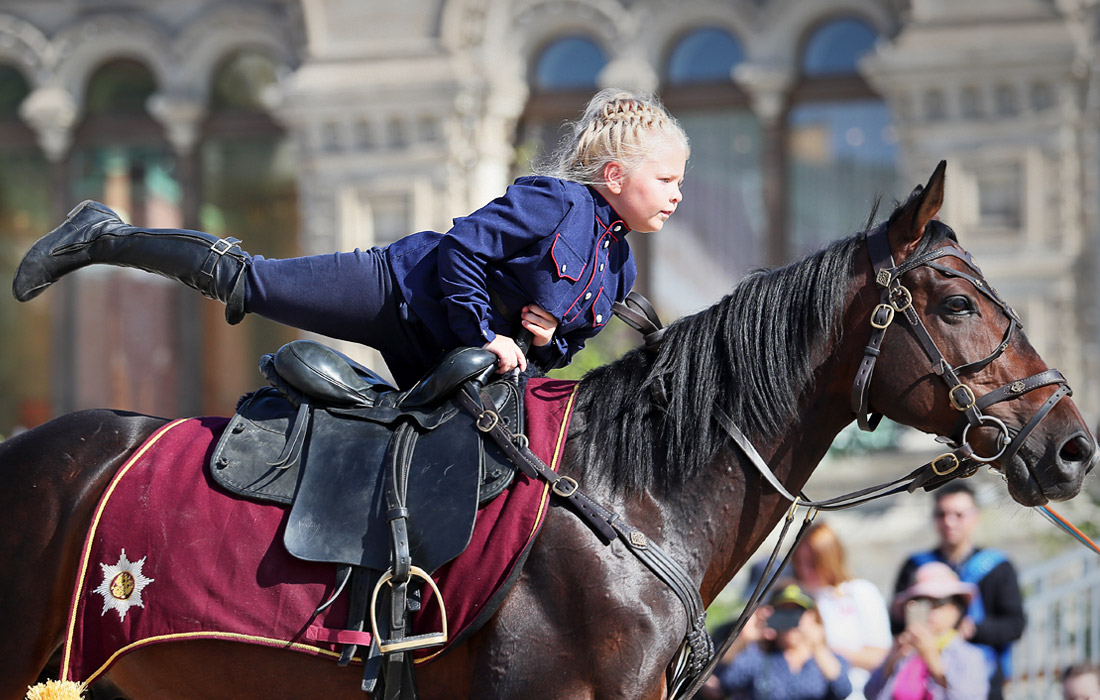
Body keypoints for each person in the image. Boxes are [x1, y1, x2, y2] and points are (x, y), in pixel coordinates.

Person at [11, 89, 689, 388]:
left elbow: (555, 356)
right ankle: (103, 234)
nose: (677, 194)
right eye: (666, 178)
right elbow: (459, 254)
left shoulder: (620, 271)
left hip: (444, 361)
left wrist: (543, 342)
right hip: (393, 289)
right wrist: (485, 331)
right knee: (250, 282)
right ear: (613, 174)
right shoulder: (553, 200)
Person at [891, 482, 1025, 700]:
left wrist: (972, 629)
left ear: (975, 517)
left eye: (959, 514)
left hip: (983, 679)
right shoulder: (915, 566)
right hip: (920, 680)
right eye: (941, 514)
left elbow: (1014, 624)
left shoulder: (997, 567)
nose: (949, 522)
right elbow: (896, 620)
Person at [793, 521, 892, 700]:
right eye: (799, 562)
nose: (804, 570)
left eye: (813, 563)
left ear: (830, 559)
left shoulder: (860, 592)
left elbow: (880, 657)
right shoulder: (797, 597)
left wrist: (825, 650)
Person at [865, 561, 989, 700]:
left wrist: (935, 663)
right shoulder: (902, 652)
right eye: (921, 601)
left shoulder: (970, 657)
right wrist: (890, 663)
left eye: (940, 602)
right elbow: (869, 694)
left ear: (956, 609)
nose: (930, 609)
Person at [718, 582, 853, 700]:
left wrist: (818, 647)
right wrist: (744, 639)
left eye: (797, 612)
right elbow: (723, 682)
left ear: (812, 616)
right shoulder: (759, 658)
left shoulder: (831, 660)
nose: (790, 620)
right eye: (783, 612)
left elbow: (842, 690)